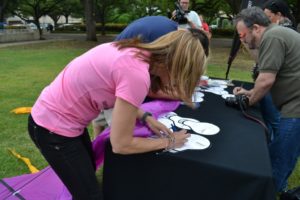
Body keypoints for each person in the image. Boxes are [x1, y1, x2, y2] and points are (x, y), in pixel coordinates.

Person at [28, 29, 208, 199]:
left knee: (87, 177)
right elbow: (121, 144)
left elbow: (120, 95)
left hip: (59, 122)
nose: (177, 83)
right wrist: (169, 142)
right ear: (175, 65)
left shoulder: (134, 54)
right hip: (52, 128)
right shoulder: (137, 75)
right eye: (183, 76)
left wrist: (146, 117)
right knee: (89, 195)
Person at [92, 16, 210, 137]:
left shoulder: (171, 32)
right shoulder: (161, 46)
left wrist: (146, 117)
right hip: (106, 84)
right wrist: (179, 95)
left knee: (101, 122)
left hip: (105, 77)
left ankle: (95, 144)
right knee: (116, 135)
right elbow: (147, 88)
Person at [233, 7, 300, 193]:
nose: (242, 39)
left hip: (296, 107)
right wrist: (251, 92)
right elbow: (268, 76)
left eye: (243, 34)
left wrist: (248, 102)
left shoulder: (273, 36)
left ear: (256, 27)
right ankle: (276, 188)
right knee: (284, 153)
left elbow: (266, 80)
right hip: (293, 103)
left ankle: (269, 193)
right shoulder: (275, 34)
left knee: (279, 157)